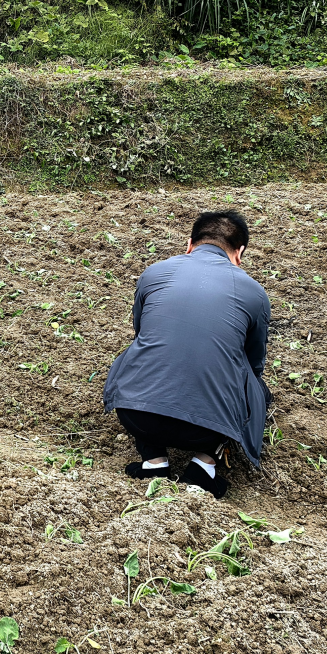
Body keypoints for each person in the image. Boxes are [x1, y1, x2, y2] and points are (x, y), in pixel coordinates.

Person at [102, 210, 272, 498]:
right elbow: (254, 364)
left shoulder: (154, 272)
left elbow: (141, 331)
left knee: (140, 354)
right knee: (258, 390)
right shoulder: (254, 293)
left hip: (136, 414)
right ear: (239, 252)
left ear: (190, 243)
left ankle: (153, 459)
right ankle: (204, 464)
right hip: (206, 429)